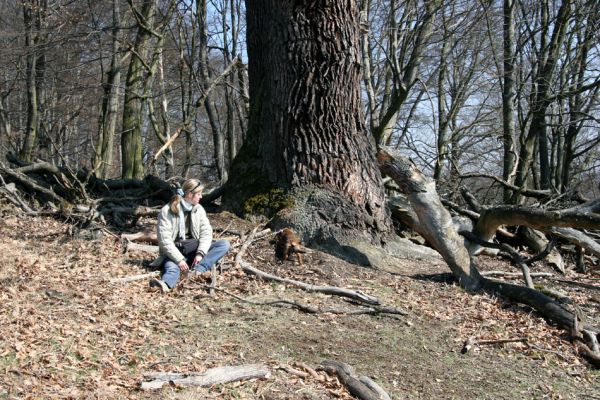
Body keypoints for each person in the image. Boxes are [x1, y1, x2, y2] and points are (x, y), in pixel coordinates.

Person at [149, 179, 230, 293]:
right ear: (190, 194)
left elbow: (206, 233)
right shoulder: (166, 211)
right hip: (175, 253)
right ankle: (164, 284)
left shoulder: (199, 209)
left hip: (194, 250)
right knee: (172, 268)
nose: (201, 197)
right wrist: (179, 260)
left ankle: (198, 270)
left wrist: (200, 253)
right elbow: (165, 241)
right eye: (199, 194)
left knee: (224, 244)